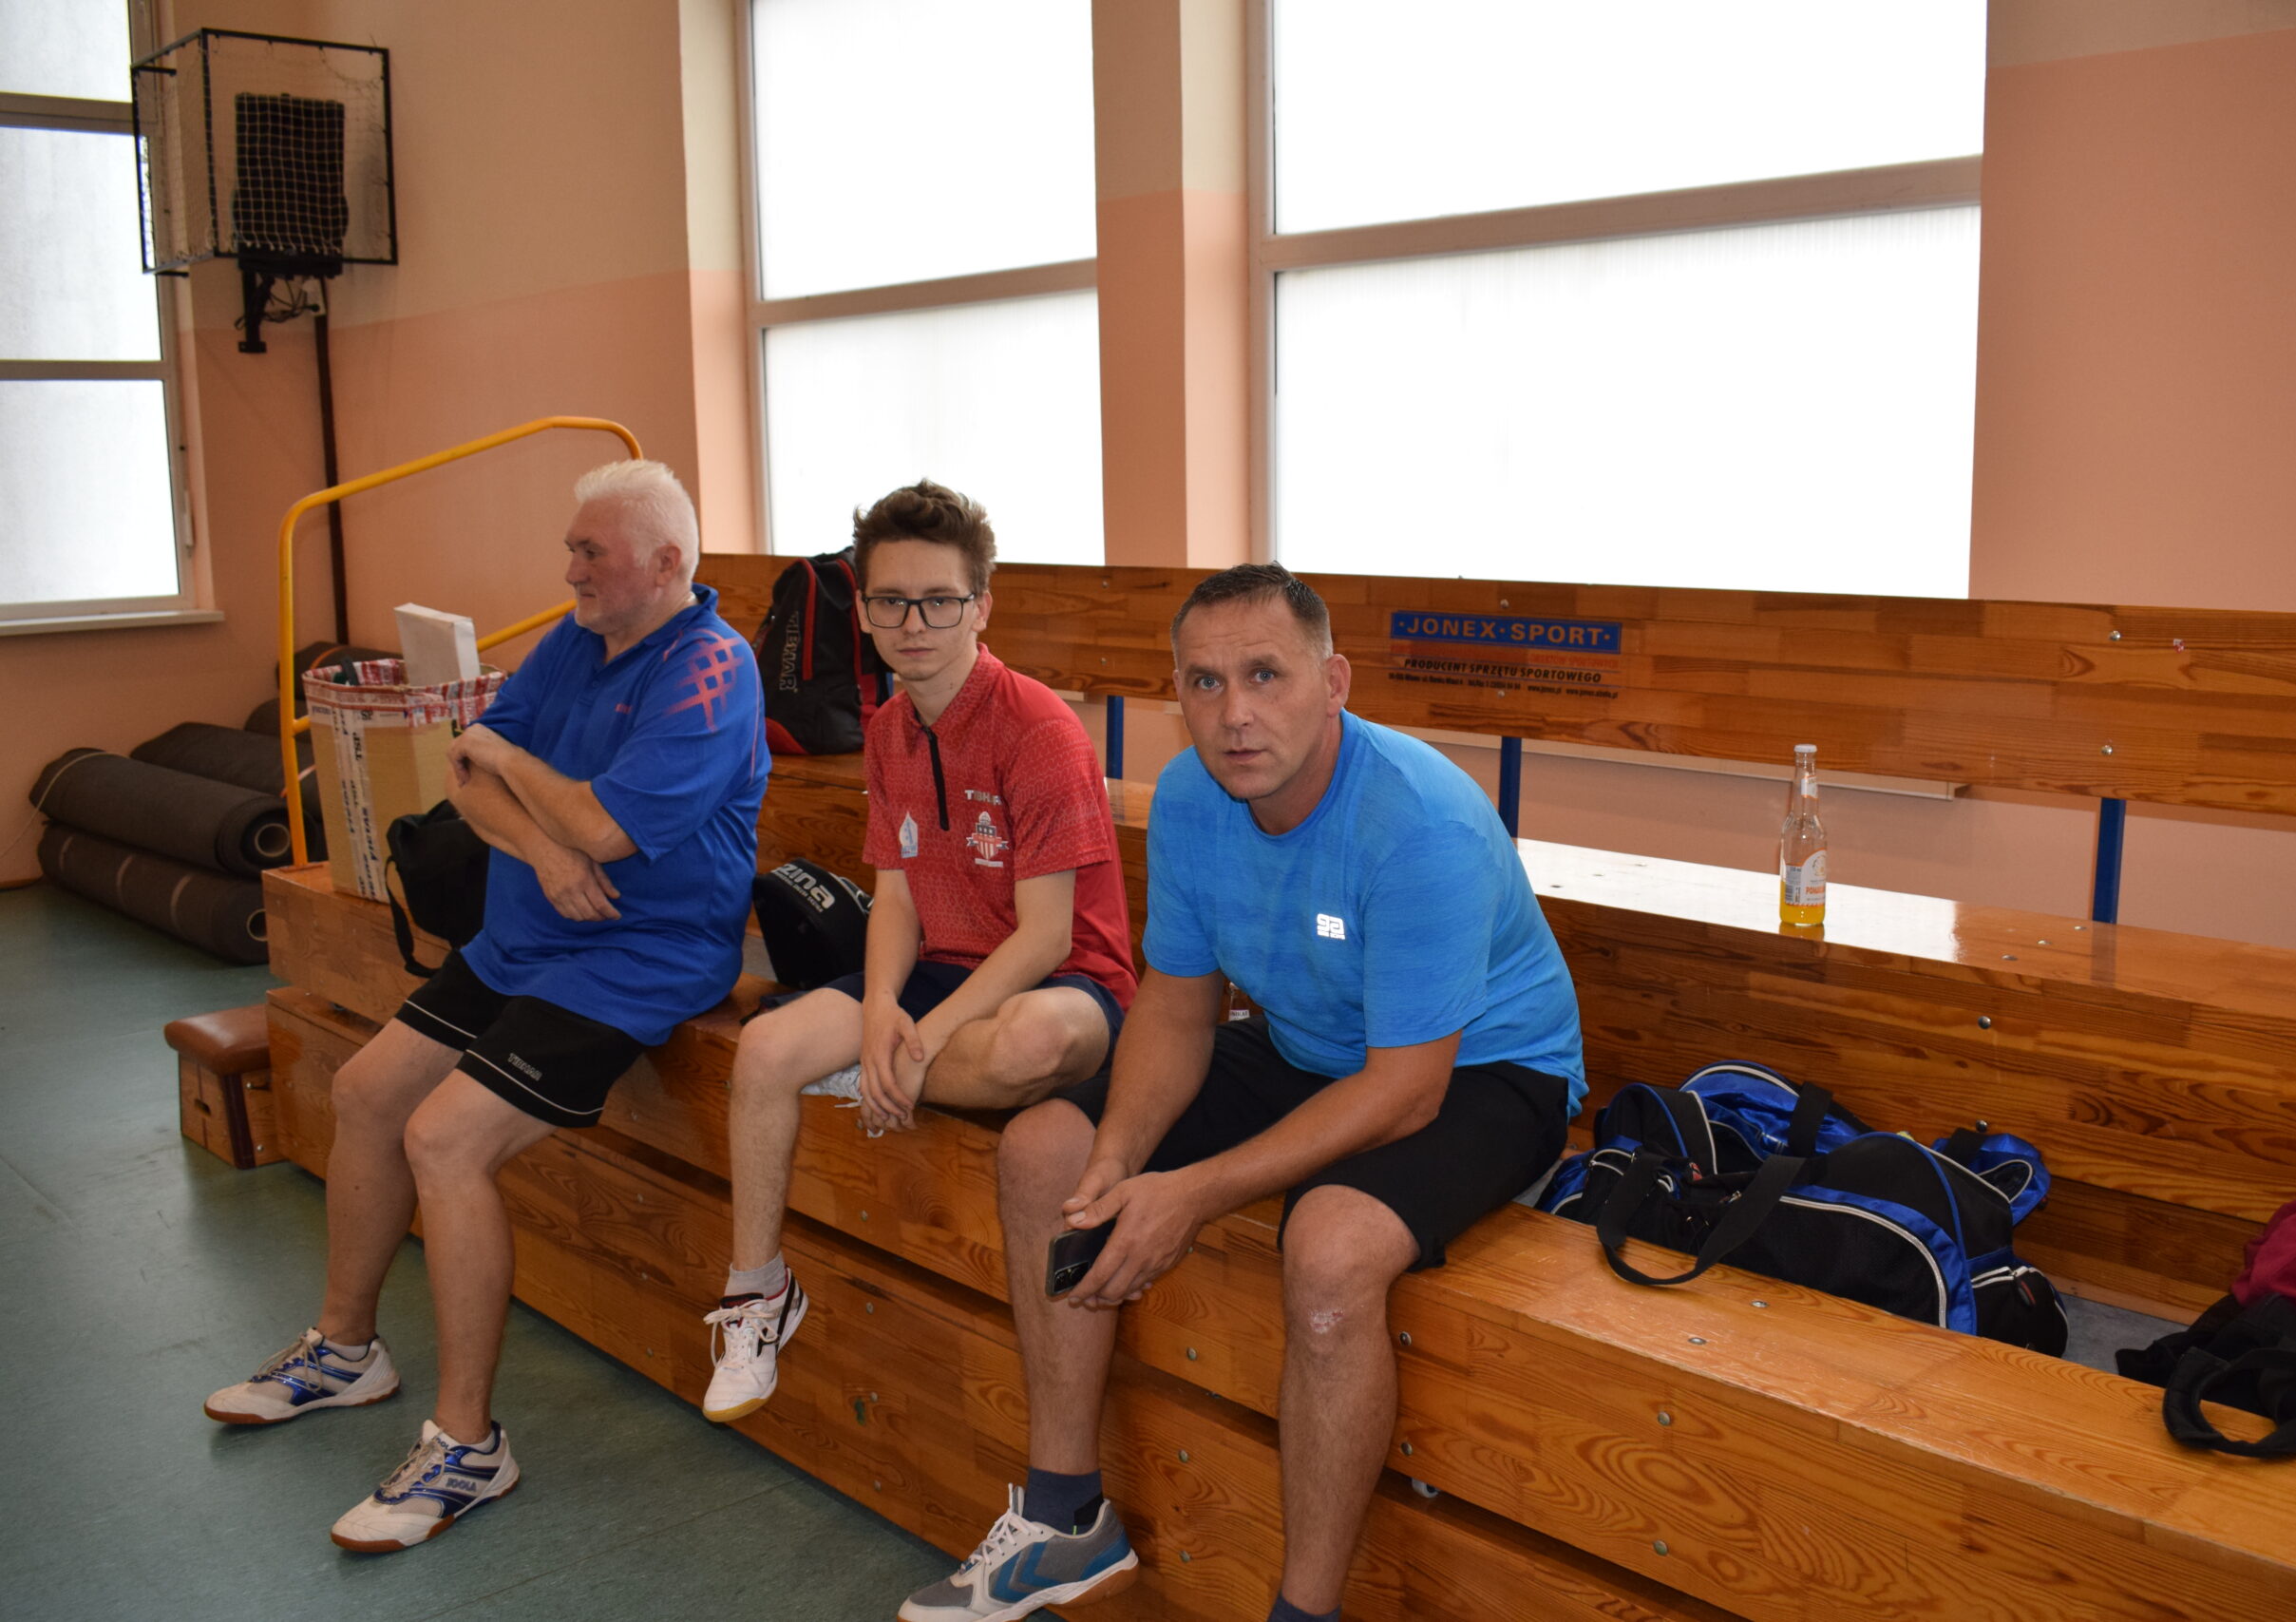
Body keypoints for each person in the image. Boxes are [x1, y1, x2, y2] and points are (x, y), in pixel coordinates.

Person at [900, 563, 1584, 1622]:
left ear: (1332, 683)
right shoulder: (1190, 797)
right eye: (1205, 683)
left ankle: (1304, 1611)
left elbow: (1406, 1092)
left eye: (1265, 675)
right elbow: (1177, 1009)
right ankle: (1066, 1520)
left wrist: (1192, 1191)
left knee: (1329, 1247)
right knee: (1046, 1153)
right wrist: (1119, 1157)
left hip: (1485, 1070)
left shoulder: (1419, 822)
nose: (1235, 714)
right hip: (1310, 1042)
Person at [203, 461, 769, 1553]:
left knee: (444, 1138)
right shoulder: (577, 639)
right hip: (527, 934)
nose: (570, 572)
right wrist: (543, 849)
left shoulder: (711, 667)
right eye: (571, 549)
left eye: (590, 552)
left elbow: (602, 827)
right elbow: (466, 777)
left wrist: (525, 781)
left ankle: (467, 1445)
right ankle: (346, 1350)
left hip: (640, 955)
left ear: (665, 563)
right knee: (367, 1091)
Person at [700, 481, 1135, 1423]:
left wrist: (918, 1038)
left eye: (940, 600)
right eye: (892, 601)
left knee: (1027, 1044)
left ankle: (867, 1074)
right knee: (765, 1051)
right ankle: (757, 1292)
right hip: (944, 967)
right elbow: (894, 895)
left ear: (981, 607)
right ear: (861, 611)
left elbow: (1048, 936)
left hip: (1065, 984)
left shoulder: (1037, 729)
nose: (914, 624)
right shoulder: (890, 728)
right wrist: (883, 1008)